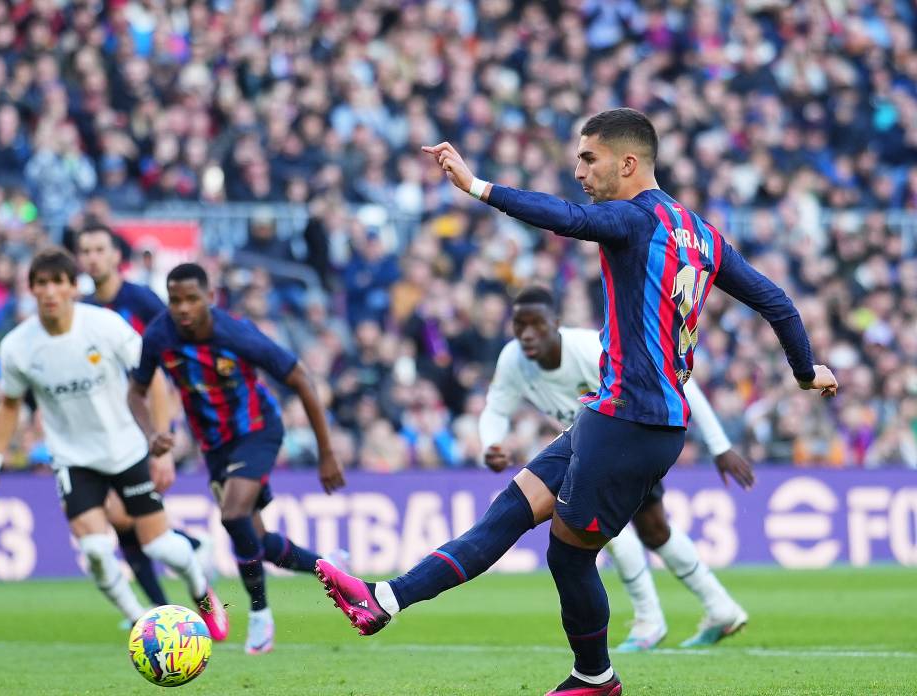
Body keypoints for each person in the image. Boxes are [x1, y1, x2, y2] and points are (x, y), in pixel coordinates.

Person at [317, 108, 839, 696]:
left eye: (589, 158)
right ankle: (383, 598)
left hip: (635, 420)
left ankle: (596, 677)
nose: (579, 170)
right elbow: (777, 302)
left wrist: (477, 186)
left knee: (569, 556)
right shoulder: (701, 232)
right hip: (616, 415)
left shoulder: (633, 220)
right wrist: (803, 371)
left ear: (629, 162)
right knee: (507, 513)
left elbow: (564, 219)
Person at [0, 247, 227, 640]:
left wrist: (160, 445)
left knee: (159, 546)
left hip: (126, 449)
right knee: (95, 548)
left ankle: (201, 591)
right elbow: (9, 406)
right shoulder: (16, 347)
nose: (50, 292)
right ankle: (143, 622)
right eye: (41, 284)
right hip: (74, 459)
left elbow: (154, 378)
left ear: (74, 288)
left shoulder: (104, 326)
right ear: (32, 290)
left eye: (58, 282)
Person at [479, 286, 750, 651]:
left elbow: (680, 381)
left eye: (537, 325)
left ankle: (648, 621)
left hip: (631, 435)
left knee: (600, 526)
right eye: (519, 325)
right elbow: (496, 409)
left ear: (556, 324)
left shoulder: (590, 349)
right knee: (654, 530)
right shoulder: (512, 359)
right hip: (590, 444)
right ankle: (721, 608)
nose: (527, 334)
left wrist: (720, 446)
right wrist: (491, 443)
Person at [129, 262, 346, 655]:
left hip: (257, 430)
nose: (183, 308)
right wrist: (151, 434)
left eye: (192, 299)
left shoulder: (237, 334)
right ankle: (327, 568)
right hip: (214, 446)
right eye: (175, 300)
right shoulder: (159, 335)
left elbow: (300, 378)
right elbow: (135, 391)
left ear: (210, 298)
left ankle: (260, 614)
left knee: (232, 516)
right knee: (257, 540)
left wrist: (326, 453)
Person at [76, 222, 212, 610]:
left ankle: (188, 566)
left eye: (99, 249)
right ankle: (164, 605)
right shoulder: (81, 311)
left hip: (143, 424)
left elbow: (171, 366)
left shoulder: (142, 303)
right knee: (127, 525)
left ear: (117, 257)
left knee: (129, 520)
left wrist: (166, 435)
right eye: (85, 251)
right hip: (102, 429)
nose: (92, 257)